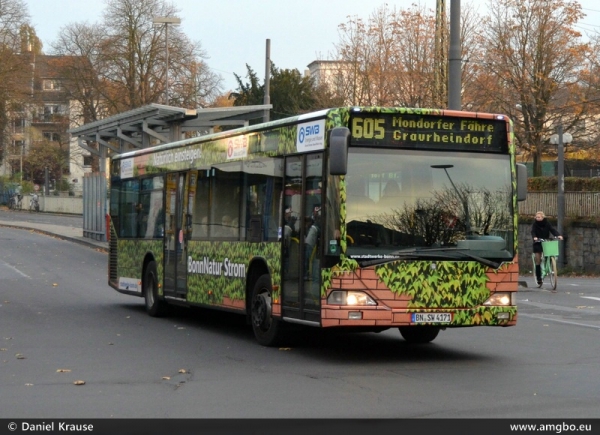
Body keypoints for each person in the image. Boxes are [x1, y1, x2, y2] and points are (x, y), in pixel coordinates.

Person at [531, 211, 563, 285]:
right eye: (536, 217)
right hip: (538, 242)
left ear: (543, 217)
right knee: (538, 260)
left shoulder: (547, 223)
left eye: (539, 217)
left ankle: (550, 265)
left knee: (549, 254)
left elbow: (552, 230)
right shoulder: (535, 224)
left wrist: (558, 235)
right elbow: (533, 232)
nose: (537, 218)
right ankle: (539, 277)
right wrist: (535, 237)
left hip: (546, 241)